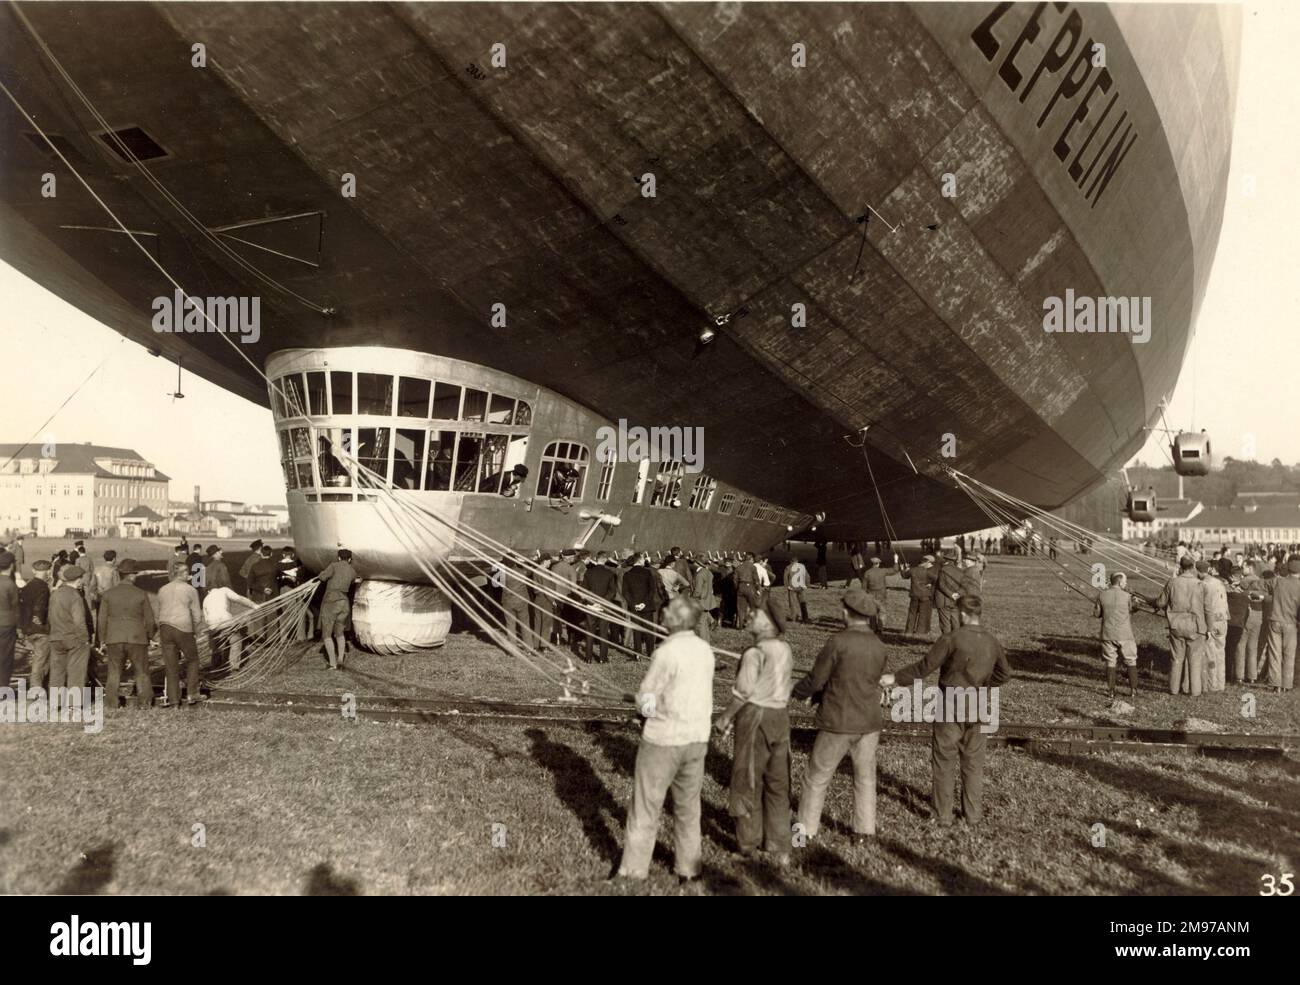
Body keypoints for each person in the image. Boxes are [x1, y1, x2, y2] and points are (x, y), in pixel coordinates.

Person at [881, 595, 1012, 826]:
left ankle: (942, 816)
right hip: (979, 705)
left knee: (944, 761)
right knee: (973, 763)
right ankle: (973, 816)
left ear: (962, 614)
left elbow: (924, 668)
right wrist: (983, 687)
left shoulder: (951, 638)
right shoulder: (992, 641)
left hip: (950, 705)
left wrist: (895, 678)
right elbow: (1004, 674)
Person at [616, 596, 714, 882]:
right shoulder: (705, 650)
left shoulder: (666, 652)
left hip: (663, 738)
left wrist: (639, 706)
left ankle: (633, 871)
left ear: (676, 619)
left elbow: (647, 700)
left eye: (668, 611)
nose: (663, 613)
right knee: (688, 806)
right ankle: (689, 869)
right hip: (696, 737)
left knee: (646, 805)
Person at [792, 588, 888, 844]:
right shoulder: (879, 646)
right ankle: (864, 832)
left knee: (816, 777)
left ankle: (803, 835)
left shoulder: (838, 641)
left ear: (848, 612)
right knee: (865, 777)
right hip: (869, 722)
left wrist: (798, 691)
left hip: (838, 720)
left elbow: (816, 679)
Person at [714, 609, 793, 862]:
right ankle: (779, 845)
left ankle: (748, 845)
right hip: (781, 718)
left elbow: (743, 693)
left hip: (756, 717)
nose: (748, 615)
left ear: (768, 623)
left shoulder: (754, 653)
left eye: (755, 614)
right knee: (779, 783)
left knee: (747, 779)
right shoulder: (785, 649)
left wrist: (725, 717)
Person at [96, 559, 157, 709]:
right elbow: (150, 620)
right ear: (130, 575)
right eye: (135, 573)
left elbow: (101, 619)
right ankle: (145, 702)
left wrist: (102, 639)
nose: (136, 576)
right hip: (137, 636)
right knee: (141, 671)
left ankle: (111, 702)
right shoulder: (141, 593)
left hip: (114, 636)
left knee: (114, 671)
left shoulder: (108, 594)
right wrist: (150, 636)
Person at [1156, 556, 1208, 696]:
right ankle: (1195, 691)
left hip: (1176, 625)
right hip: (1196, 626)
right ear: (1192, 568)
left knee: (1176, 658)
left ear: (1181, 567)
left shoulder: (1172, 582)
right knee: (1195, 660)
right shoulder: (1200, 584)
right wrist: (1208, 627)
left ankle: (1173, 689)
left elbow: (1160, 603)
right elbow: (1208, 608)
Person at [157, 565, 205, 705]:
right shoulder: (190, 590)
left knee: (171, 665)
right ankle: (192, 693)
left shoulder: (162, 589)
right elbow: (197, 615)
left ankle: (173, 699)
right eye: (188, 572)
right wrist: (195, 631)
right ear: (183, 574)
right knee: (193, 660)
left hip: (165, 627)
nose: (189, 575)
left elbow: (158, 611)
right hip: (183, 628)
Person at [1093, 572, 1141, 699]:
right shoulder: (1127, 596)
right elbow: (1134, 608)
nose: (1126, 584)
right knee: (1131, 660)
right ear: (1120, 582)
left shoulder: (1102, 595)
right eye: (1124, 582)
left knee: (1110, 661)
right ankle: (1133, 691)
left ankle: (1111, 691)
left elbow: (1096, 614)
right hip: (1125, 634)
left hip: (1108, 633)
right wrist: (1136, 601)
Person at [48, 564, 93, 690]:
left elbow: (50, 617)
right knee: (76, 673)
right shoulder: (75, 596)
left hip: (55, 637)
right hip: (73, 638)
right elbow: (79, 621)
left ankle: (55, 703)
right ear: (78, 580)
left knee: (57, 672)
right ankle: (74, 704)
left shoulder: (55, 594)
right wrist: (85, 639)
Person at [316, 549, 358, 670]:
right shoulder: (352, 570)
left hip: (331, 602)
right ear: (350, 559)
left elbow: (323, 577)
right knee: (339, 633)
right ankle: (340, 660)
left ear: (339, 558)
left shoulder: (333, 565)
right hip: (344, 603)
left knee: (327, 634)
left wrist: (321, 574)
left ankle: (333, 664)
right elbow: (353, 580)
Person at [203, 582, 258, 672]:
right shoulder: (224, 590)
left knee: (216, 646)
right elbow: (239, 599)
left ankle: (215, 666)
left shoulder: (206, 599)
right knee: (235, 641)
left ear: (208, 591)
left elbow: (206, 618)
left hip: (213, 624)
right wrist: (253, 605)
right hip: (226, 620)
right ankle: (234, 666)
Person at [1264, 557, 1300, 693]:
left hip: (1275, 620)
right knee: (1289, 655)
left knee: (1275, 653)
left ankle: (1275, 684)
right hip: (1291, 623)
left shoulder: (1278, 581)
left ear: (1289, 569)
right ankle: (1286, 684)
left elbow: (1260, 584)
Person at [19, 559, 52, 690]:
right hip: (40, 630)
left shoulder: (28, 585)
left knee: (40, 660)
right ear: (48, 572)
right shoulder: (43, 587)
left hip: (28, 628)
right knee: (41, 661)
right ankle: (36, 689)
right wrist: (41, 621)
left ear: (33, 571)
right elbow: (39, 609)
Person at [581, 551, 619, 663]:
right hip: (604, 606)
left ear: (596, 559)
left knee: (590, 631)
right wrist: (602, 602)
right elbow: (612, 592)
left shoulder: (589, 573)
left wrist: (592, 602)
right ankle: (603, 658)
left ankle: (588, 658)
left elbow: (584, 590)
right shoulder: (610, 573)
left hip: (591, 605)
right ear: (606, 560)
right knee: (603, 632)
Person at [1234, 562, 1267, 684]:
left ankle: (1239, 675)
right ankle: (1252, 676)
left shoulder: (1246, 580)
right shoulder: (1261, 581)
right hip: (1259, 615)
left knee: (1241, 645)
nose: (1242, 569)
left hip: (1247, 613)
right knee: (1253, 646)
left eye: (1244, 567)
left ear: (1250, 568)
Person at [621, 553, 659, 660]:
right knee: (648, 630)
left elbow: (625, 592)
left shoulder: (627, 574)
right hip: (647, 606)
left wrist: (634, 604)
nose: (644, 560)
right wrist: (644, 603)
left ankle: (637, 654)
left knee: (636, 630)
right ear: (639, 560)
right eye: (643, 559)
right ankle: (650, 653)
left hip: (634, 607)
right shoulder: (648, 572)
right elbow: (652, 590)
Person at [1199, 560, 1229, 693]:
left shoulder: (1204, 585)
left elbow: (1206, 607)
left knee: (1210, 654)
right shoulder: (1219, 582)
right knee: (1220, 652)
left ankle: (1212, 684)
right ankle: (1221, 683)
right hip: (1223, 620)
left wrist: (1208, 627)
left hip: (1212, 621)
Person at [932, 551, 964, 635]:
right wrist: (957, 594)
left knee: (945, 624)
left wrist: (951, 594)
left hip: (943, 601)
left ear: (946, 560)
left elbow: (941, 585)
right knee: (956, 623)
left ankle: (947, 643)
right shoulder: (960, 571)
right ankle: (956, 642)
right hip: (956, 601)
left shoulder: (943, 570)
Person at [903, 555, 935, 636]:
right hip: (924, 596)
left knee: (912, 613)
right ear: (925, 563)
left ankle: (908, 632)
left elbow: (904, 576)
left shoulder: (912, 570)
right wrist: (931, 584)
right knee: (923, 614)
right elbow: (937, 579)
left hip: (914, 595)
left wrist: (905, 569)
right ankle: (919, 632)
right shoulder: (927, 572)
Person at [0, 550, 18, 689]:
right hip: (6, 624)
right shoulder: (10, 584)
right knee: (5, 657)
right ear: (11, 565)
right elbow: (15, 608)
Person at [690, 557, 717, 643]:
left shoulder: (699, 574)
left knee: (700, 624)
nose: (693, 563)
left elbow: (698, 591)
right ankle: (706, 641)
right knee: (704, 623)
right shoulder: (708, 572)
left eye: (694, 562)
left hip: (700, 601)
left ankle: (704, 643)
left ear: (697, 563)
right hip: (707, 600)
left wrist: (691, 599)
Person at [862, 556, 891, 632]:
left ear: (872, 564)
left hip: (871, 595)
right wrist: (896, 561)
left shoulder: (867, 573)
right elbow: (894, 570)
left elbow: (864, 587)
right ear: (878, 564)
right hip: (881, 595)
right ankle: (880, 628)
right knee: (882, 611)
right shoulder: (882, 571)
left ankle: (873, 628)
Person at [734, 552, 760, 627]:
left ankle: (741, 625)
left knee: (740, 607)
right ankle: (748, 621)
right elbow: (756, 579)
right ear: (751, 559)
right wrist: (758, 589)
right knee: (753, 606)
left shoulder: (738, 567)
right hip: (750, 587)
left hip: (741, 586)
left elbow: (734, 580)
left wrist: (737, 588)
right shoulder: (753, 567)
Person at [783, 554, 810, 623]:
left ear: (790, 561)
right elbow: (807, 576)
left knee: (792, 603)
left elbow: (785, 578)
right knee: (802, 602)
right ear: (797, 561)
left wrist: (787, 586)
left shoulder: (788, 567)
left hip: (792, 587)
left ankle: (794, 618)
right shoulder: (802, 566)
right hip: (801, 587)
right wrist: (807, 585)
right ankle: (805, 617)